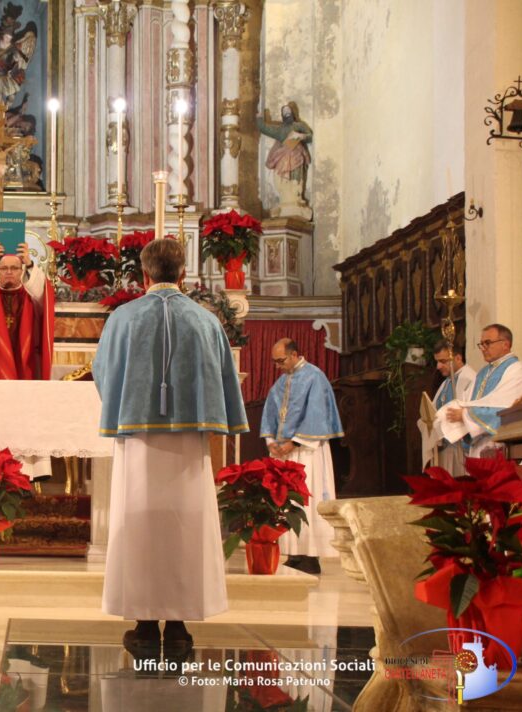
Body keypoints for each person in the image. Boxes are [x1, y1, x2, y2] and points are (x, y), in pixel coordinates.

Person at [93, 239, 248, 658]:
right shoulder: (204, 320)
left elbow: (103, 373)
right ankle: (178, 627)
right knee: (186, 526)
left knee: (139, 525)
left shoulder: (123, 319)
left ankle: (144, 627)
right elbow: (222, 374)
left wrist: (132, 403)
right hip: (188, 440)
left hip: (138, 438)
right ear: (183, 274)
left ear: (144, 275)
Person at [260, 338, 344, 575]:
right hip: (287, 453)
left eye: (281, 360)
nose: (278, 366)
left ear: (295, 354)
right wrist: (272, 442)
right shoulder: (281, 382)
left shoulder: (314, 377)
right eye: (275, 362)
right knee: (290, 501)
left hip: (308, 450)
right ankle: (295, 553)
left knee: (309, 498)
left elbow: (317, 414)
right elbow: (269, 413)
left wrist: (294, 441)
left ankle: (311, 554)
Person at [0, 241, 55, 381]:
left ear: (21, 271)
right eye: (4, 268)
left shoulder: (30, 296)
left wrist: (29, 263)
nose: (9, 272)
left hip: (25, 358)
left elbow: (42, 293)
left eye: (14, 268)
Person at [439, 324, 522, 457]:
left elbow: (507, 408)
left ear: (506, 344)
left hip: (500, 443)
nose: (483, 348)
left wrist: (465, 415)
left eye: (488, 343)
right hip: (479, 441)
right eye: (481, 344)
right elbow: (466, 401)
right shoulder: (483, 372)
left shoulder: (517, 369)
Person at [418, 341, 476, 475]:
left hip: (461, 447)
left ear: (458, 358)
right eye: (437, 361)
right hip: (444, 447)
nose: (438, 366)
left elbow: (472, 412)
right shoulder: (447, 382)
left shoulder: (469, 379)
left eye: (443, 361)